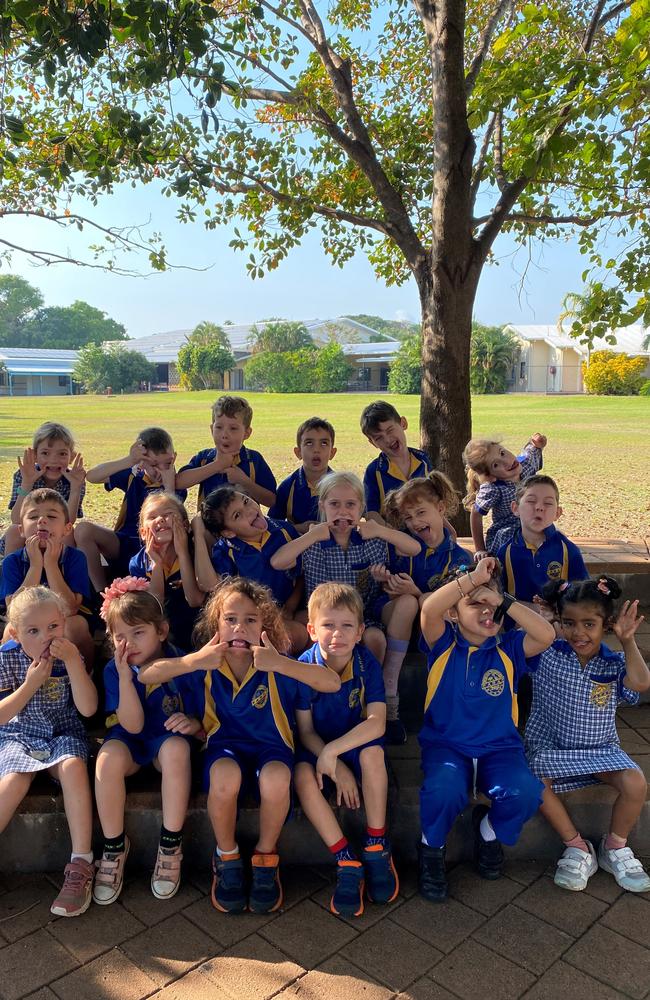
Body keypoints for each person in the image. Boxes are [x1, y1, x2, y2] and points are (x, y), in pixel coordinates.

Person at [137, 578, 342, 915]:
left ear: (265, 625)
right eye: (230, 619)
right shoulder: (206, 663)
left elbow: (331, 682)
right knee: (223, 779)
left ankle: (265, 856)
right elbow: (147, 674)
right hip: (225, 748)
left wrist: (281, 663)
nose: (240, 628)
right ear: (216, 624)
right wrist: (193, 663)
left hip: (272, 747)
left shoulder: (277, 662)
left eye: (251, 620)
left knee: (277, 780)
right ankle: (227, 854)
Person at [417, 557, 555, 902]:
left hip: (500, 750)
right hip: (448, 747)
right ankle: (431, 849)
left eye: (490, 603)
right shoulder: (443, 642)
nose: (486, 610)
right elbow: (429, 609)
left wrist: (502, 599)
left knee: (525, 792)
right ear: (454, 612)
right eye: (474, 603)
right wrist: (473, 580)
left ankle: (488, 830)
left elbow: (546, 634)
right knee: (443, 790)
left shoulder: (509, 648)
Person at [525, 577, 650, 893]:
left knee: (636, 783)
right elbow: (518, 630)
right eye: (569, 623)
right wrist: (545, 620)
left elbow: (639, 684)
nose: (578, 632)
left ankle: (615, 847)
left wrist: (628, 641)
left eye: (589, 624)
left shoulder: (613, 663)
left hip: (599, 751)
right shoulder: (546, 652)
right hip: (550, 748)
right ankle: (577, 846)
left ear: (606, 624)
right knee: (532, 783)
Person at [93, 578, 202, 905]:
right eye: (119, 637)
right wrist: (126, 678)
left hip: (165, 737)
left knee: (177, 749)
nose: (129, 644)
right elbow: (132, 723)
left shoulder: (183, 664)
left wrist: (194, 723)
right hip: (129, 736)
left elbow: (202, 717)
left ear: (162, 631)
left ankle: (170, 844)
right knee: (106, 760)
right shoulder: (116, 670)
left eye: (138, 632)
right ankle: (114, 847)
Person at [295, 582, 398, 917]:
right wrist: (334, 764)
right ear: (311, 630)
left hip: (353, 744)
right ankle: (345, 859)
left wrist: (335, 753)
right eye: (327, 625)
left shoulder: (365, 663)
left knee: (374, 753)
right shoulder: (304, 668)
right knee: (301, 776)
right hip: (317, 747)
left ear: (359, 633)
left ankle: (376, 844)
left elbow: (377, 722)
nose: (336, 634)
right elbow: (306, 732)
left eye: (346, 626)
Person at [0, 587, 97, 916]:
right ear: (15, 633)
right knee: (12, 781)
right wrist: (30, 684)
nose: (46, 637)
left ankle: (82, 863)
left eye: (53, 627)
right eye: (33, 631)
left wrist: (73, 662)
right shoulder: (7, 657)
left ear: (65, 624)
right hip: (19, 734)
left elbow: (87, 709)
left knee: (72, 768)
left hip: (62, 732)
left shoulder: (70, 655)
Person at [270, 472, 420, 675]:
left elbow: (414, 548)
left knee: (376, 639)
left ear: (361, 508)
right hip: (324, 615)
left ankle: (380, 683)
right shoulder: (313, 542)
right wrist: (311, 535)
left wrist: (380, 530)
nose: (343, 511)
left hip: (363, 615)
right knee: (308, 625)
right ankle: (318, 681)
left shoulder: (372, 541)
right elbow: (278, 562)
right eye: (334, 504)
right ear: (322, 507)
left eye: (350, 505)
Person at [379, 471, 473, 742]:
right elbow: (387, 591)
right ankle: (390, 699)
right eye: (408, 518)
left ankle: (447, 714)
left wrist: (418, 592)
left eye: (421, 513)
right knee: (408, 602)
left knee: (420, 600)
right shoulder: (402, 546)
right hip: (396, 618)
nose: (414, 522)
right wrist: (385, 579)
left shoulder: (457, 557)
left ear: (441, 509)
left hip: (434, 628)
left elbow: (450, 605)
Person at [193, 485, 308, 653]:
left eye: (246, 501)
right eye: (237, 515)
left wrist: (290, 607)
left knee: (314, 625)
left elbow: (301, 575)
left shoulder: (283, 530)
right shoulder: (226, 551)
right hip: (254, 623)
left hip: (289, 609)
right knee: (295, 635)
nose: (249, 511)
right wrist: (199, 534)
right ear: (228, 533)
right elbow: (208, 584)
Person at [76, 427, 185, 591]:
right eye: (154, 464)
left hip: (156, 546)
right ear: (141, 460)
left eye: (167, 463)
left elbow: (174, 519)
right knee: (83, 530)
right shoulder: (134, 476)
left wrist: (169, 485)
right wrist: (128, 460)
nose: (161, 470)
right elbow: (92, 477)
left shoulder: (175, 484)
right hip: (124, 542)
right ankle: (100, 593)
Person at [0, 490, 95, 668]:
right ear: (21, 529)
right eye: (33, 516)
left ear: (67, 529)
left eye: (51, 516)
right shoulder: (13, 561)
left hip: (64, 619)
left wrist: (51, 565)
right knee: (9, 631)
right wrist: (36, 566)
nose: (42, 521)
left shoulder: (75, 558)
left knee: (77, 626)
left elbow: (71, 608)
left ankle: (85, 675)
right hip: (28, 621)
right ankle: (12, 682)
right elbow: (13, 610)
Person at [497, 475, 588, 609]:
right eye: (531, 501)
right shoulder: (506, 553)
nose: (539, 507)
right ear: (515, 508)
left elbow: (583, 596)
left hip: (557, 626)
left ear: (557, 513)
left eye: (548, 503)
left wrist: (554, 613)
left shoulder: (568, 550)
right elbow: (498, 597)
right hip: (518, 626)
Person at [129, 491, 205, 650]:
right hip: (164, 637)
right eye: (152, 517)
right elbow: (156, 607)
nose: (160, 519)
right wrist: (156, 565)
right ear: (143, 533)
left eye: (168, 514)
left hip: (199, 632)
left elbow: (195, 600)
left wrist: (182, 552)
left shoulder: (197, 553)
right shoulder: (139, 563)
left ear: (184, 525)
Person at [2, 421, 86, 557]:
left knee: (68, 534)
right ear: (35, 455)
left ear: (72, 457)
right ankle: (12, 575)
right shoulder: (23, 475)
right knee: (13, 531)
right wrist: (27, 484)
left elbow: (68, 521)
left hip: (55, 531)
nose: (54, 459)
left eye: (62, 454)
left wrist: (76, 488)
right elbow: (16, 519)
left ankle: (62, 575)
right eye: (45, 453)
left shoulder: (75, 479)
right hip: (29, 531)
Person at [176, 395, 276, 508]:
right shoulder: (205, 458)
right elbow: (179, 482)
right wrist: (217, 465)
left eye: (233, 428)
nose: (224, 435)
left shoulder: (254, 459)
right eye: (219, 427)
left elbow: (271, 500)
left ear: (247, 433)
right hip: (208, 524)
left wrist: (245, 482)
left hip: (246, 524)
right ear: (211, 429)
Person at [462, 433, 547, 556]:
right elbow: (476, 513)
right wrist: (480, 549)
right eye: (496, 465)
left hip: (535, 524)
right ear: (489, 476)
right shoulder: (493, 488)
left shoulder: (525, 465)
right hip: (509, 534)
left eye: (502, 453)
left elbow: (531, 451)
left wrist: (537, 443)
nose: (507, 462)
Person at [360, 401, 432, 521]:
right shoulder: (374, 471)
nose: (387, 439)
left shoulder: (423, 460)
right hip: (391, 535)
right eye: (379, 438)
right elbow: (370, 512)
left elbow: (433, 501)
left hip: (423, 530)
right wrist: (390, 533)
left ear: (403, 423)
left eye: (389, 430)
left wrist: (448, 528)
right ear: (373, 443)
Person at [268, 417, 337, 532]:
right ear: (298, 452)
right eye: (309, 443)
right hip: (298, 545)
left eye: (324, 443)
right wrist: (298, 528)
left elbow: (352, 522)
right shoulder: (288, 486)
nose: (316, 450)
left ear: (332, 453)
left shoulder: (341, 486)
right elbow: (273, 526)